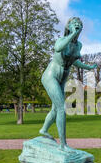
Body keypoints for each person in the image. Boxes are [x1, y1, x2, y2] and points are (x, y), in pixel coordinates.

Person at [39, 17, 97, 151]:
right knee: (61, 108)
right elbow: (58, 48)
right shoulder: (61, 40)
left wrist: (87, 67)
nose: (77, 25)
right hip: (51, 76)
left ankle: (43, 130)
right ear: (68, 26)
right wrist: (71, 34)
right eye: (74, 24)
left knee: (55, 109)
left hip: (63, 77)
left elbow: (73, 60)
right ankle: (63, 145)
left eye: (79, 24)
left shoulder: (79, 45)